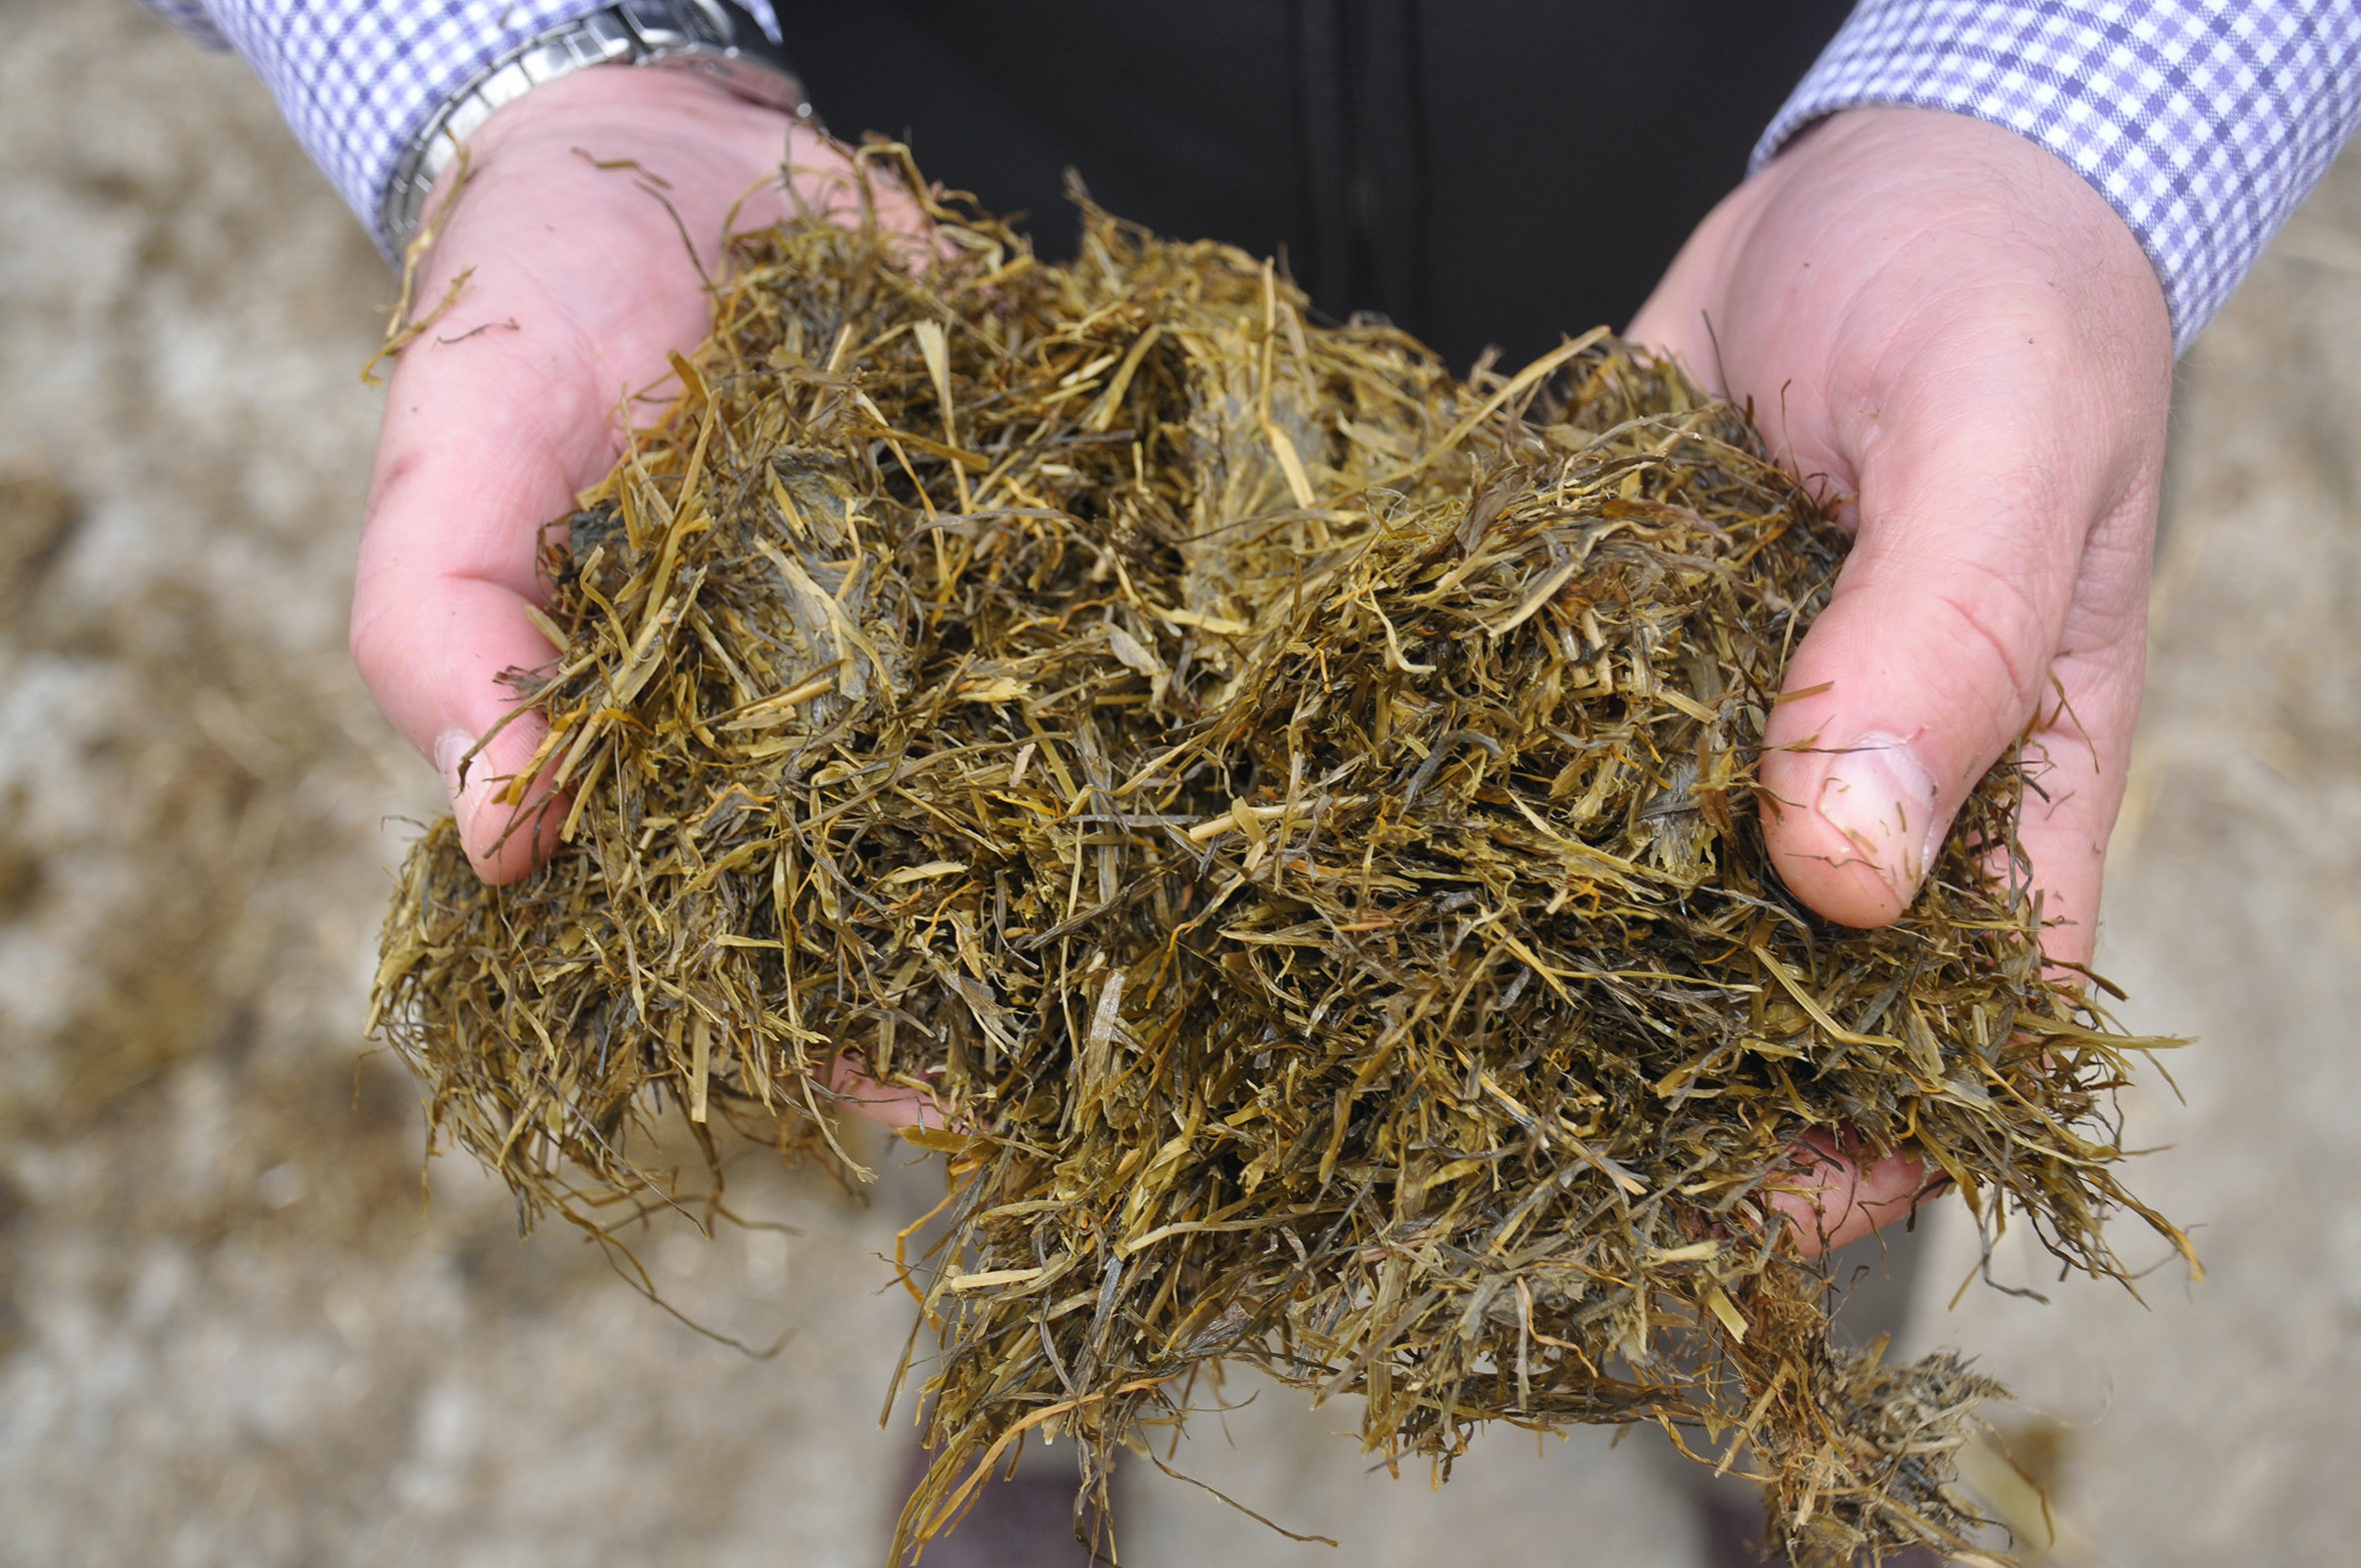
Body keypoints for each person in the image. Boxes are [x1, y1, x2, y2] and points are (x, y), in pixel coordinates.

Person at [147, 0, 2360, 1246]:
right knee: (993, 1011)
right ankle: (1055, 1364)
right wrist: (549, 63)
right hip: (931, 202)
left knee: (1771, 998)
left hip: (1765, 234)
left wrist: (2045, 121)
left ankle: (1737, 1369)